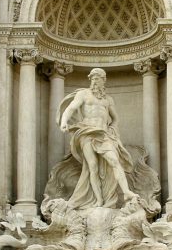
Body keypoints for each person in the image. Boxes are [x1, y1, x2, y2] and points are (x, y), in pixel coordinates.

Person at [57, 68, 137, 209]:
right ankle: (99, 200)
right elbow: (70, 108)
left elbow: (115, 119)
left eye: (97, 78)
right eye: (92, 78)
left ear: (103, 80)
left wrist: (113, 130)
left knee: (114, 161)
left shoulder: (108, 100)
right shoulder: (83, 94)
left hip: (103, 134)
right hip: (86, 133)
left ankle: (126, 192)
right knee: (92, 167)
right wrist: (64, 121)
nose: (94, 81)